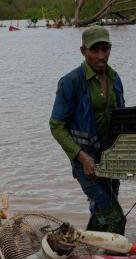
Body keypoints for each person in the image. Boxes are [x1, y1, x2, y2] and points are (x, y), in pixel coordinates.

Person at [49, 25, 127, 234]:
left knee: (102, 211)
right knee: (113, 214)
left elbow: (122, 118)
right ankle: (110, 253)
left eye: (105, 49)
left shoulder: (115, 78)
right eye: (95, 50)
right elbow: (56, 125)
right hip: (84, 161)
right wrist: (82, 157)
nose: (101, 56)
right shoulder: (71, 82)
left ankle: (92, 254)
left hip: (110, 158)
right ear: (83, 51)